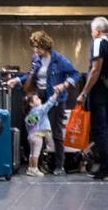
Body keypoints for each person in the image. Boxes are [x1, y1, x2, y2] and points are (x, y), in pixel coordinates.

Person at [22, 30, 79, 173]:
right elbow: (29, 75)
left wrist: (64, 85)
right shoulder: (36, 59)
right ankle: (37, 165)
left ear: (46, 46)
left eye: (38, 47)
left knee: (56, 133)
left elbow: (75, 74)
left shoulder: (59, 59)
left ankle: (59, 166)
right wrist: (16, 80)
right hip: (39, 98)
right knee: (35, 131)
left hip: (56, 98)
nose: (35, 50)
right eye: (34, 47)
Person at [72, 17, 108, 182]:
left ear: (98, 31)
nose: (92, 34)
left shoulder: (99, 43)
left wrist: (84, 92)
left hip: (99, 92)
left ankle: (107, 169)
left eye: (92, 30)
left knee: (100, 130)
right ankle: (105, 167)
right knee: (104, 129)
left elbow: (95, 69)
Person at [22, 89, 63, 178]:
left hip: (30, 136)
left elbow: (29, 123)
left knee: (32, 153)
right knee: (36, 153)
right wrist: (55, 93)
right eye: (36, 99)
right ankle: (35, 169)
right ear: (31, 104)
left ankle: (30, 168)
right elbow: (49, 104)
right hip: (37, 136)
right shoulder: (40, 109)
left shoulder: (31, 112)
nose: (39, 99)